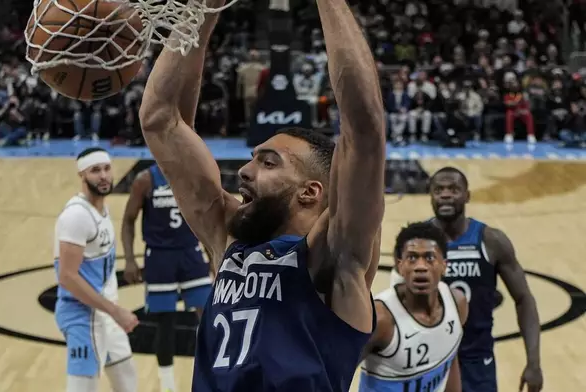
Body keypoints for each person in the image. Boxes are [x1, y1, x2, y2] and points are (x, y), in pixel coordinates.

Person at [139, 0, 386, 389]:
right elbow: (160, 119)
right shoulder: (228, 241)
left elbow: (365, 127)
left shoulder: (334, 257)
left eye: (268, 163)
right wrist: (202, 11)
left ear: (310, 192)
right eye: (253, 159)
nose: (244, 171)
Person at [389, 167, 543, 392]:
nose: (446, 194)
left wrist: (534, 363)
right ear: (430, 195)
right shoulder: (416, 243)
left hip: (477, 362)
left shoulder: (492, 241)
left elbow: (524, 299)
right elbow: (398, 304)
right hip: (429, 359)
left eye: (453, 189)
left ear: (467, 195)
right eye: (439, 189)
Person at [121, 163, 213, 392]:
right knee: (166, 321)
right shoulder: (145, 180)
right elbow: (128, 219)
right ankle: (167, 385)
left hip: (190, 253)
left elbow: (202, 219)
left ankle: (212, 376)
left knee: (208, 317)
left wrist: (212, 253)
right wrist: (130, 259)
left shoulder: (192, 176)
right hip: (160, 257)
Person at [53, 147, 139, 392]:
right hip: (83, 315)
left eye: (106, 169)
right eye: (95, 171)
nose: (103, 176)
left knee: (127, 380)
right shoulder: (77, 216)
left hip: (104, 314)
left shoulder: (100, 209)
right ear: (82, 175)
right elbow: (67, 277)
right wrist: (116, 311)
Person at [360, 221, 468, 392]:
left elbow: (450, 359)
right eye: (412, 258)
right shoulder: (381, 320)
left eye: (430, 257)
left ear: (444, 265)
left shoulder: (457, 303)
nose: (420, 267)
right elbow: (336, 372)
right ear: (400, 266)